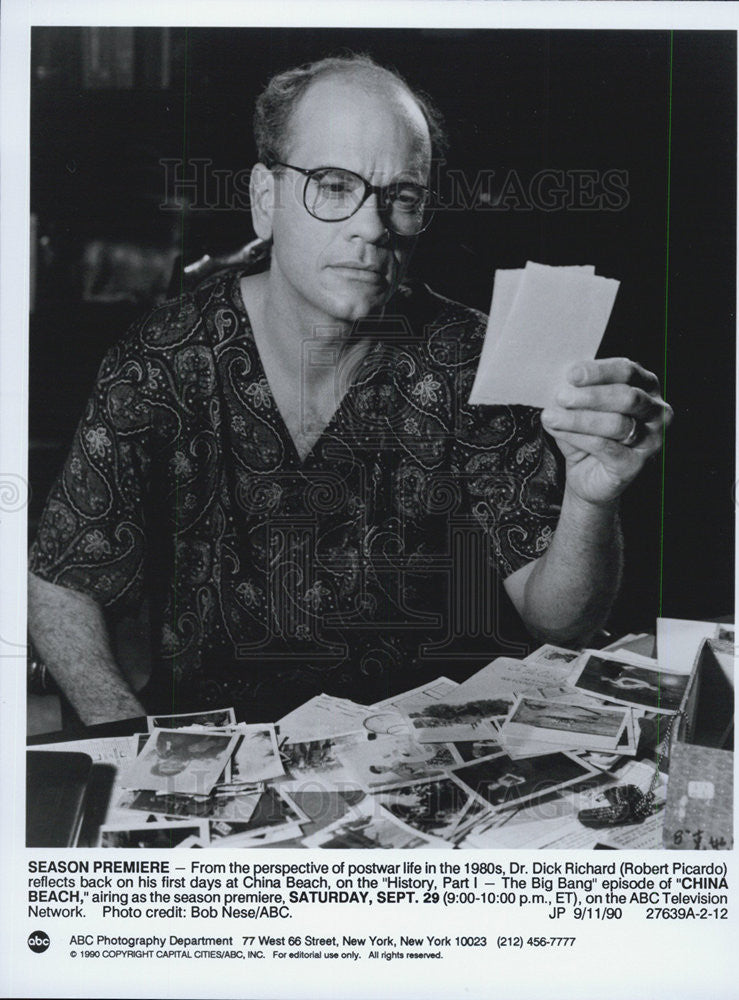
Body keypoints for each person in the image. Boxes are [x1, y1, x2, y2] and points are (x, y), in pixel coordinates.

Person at [28, 54, 672, 726]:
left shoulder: (470, 361)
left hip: (414, 755)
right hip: (213, 755)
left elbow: (559, 621)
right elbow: (58, 578)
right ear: (265, 200)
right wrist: (129, 741)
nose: (371, 226)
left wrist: (590, 499)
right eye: (334, 186)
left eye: (402, 196)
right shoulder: (160, 360)